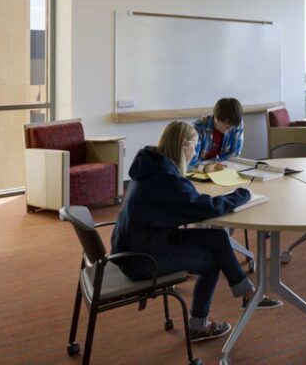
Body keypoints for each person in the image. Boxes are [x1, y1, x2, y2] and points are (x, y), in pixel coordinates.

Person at [111, 121, 281, 343]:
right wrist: (242, 195)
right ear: (183, 146)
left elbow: (188, 202)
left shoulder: (152, 164)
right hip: (142, 258)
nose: (196, 152)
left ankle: (249, 295)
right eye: (195, 146)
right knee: (211, 262)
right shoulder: (166, 178)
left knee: (218, 237)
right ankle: (199, 326)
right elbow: (204, 208)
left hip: (142, 240)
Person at [189, 97, 245, 173]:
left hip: (222, 170)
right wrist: (210, 166)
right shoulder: (198, 128)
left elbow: (235, 155)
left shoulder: (236, 124)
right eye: (227, 125)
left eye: (233, 126)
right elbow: (191, 163)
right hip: (201, 172)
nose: (231, 128)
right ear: (216, 118)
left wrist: (217, 164)